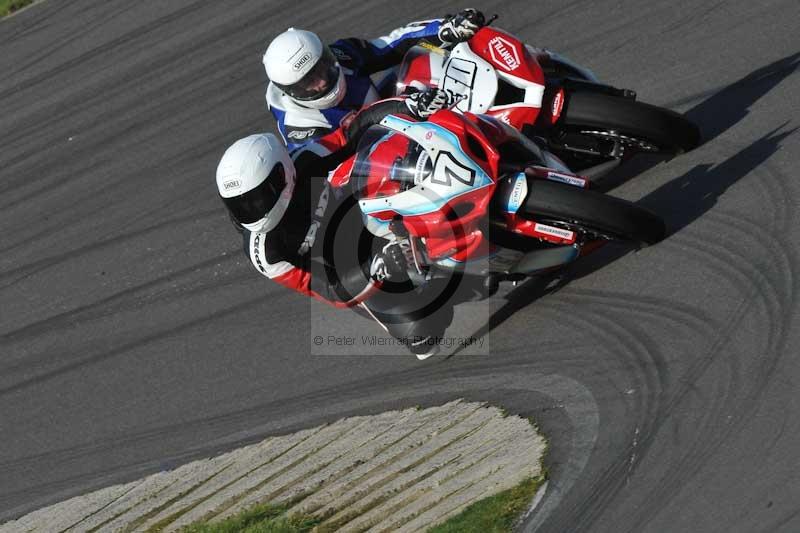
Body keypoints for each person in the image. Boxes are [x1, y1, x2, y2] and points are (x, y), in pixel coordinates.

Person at [216, 89, 457, 359]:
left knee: (390, 156)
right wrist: (375, 268)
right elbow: (330, 290)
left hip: (370, 212)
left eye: (256, 199)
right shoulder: (266, 253)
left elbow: (354, 128)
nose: (251, 211)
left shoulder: (304, 161)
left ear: (281, 174)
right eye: (240, 206)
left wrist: (410, 106)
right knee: (423, 337)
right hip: (353, 269)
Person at [262, 9, 486, 150]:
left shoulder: (342, 55)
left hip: (401, 119)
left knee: (421, 58)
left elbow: (391, 45)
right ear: (291, 92)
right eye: (309, 83)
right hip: (373, 167)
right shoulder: (300, 129)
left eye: (321, 69)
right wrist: (404, 107)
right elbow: (350, 144)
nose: (322, 82)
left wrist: (445, 30)